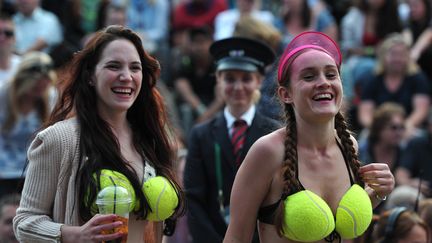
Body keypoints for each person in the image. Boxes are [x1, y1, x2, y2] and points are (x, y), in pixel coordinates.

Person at [13, 25, 185, 243]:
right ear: (90, 77)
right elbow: (24, 222)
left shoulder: (151, 138)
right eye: (114, 66)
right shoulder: (59, 139)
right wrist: (77, 235)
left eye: (135, 68)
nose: (126, 76)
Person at [223, 31, 395, 243]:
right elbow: (236, 237)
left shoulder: (348, 144)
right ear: (286, 94)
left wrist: (379, 192)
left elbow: (341, 222)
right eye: (309, 76)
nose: (323, 82)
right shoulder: (268, 151)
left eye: (331, 75)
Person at [183, 37, 281, 243]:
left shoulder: (276, 132)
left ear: (259, 80)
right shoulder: (200, 135)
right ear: (218, 79)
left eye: (246, 78)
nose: (238, 87)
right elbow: (194, 200)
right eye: (229, 78)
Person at [0, 51, 57, 198]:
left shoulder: (49, 96)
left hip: (34, 169)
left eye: (44, 87)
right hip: (4, 170)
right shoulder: (4, 95)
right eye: (35, 88)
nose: (40, 92)